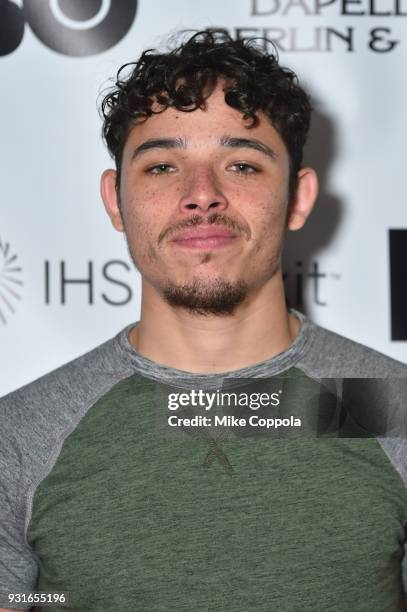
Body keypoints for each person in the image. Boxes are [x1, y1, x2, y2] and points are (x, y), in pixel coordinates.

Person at [0, 29, 406, 612]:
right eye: (163, 166)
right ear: (116, 200)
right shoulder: (17, 437)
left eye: (241, 164)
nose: (202, 195)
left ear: (297, 198)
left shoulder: (392, 408)